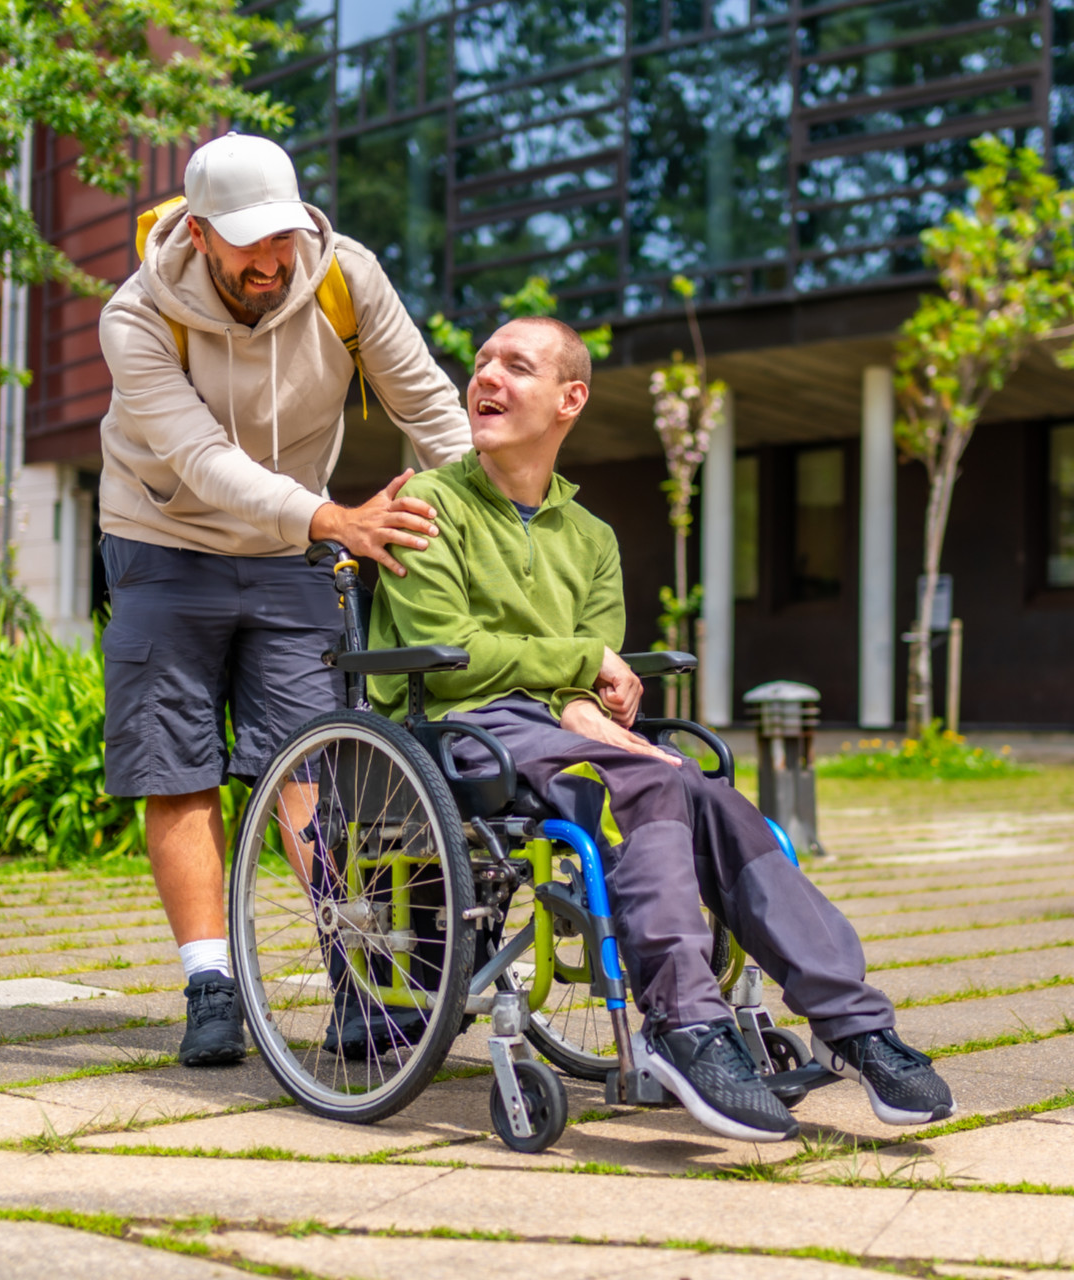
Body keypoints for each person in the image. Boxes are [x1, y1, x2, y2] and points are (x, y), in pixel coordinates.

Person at [367, 316, 956, 1143]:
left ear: (571, 399)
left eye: (517, 366)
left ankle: (853, 1022)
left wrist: (583, 701)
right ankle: (682, 1022)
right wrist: (576, 678)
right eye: (483, 363)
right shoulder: (429, 504)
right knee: (641, 779)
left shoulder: (592, 538)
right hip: (465, 727)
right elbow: (452, 658)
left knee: (703, 788)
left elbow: (594, 678)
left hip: (552, 730)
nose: (487, 378)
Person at [97, 132, 472, 1067]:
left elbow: (428, 408)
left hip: (295, 550)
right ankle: (210, 983)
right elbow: (200, 461)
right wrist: (333, 517)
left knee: (316, 764)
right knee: (175, 763)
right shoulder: (138, 314)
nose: (270, 262)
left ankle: (357, 970)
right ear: (199, 231)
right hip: (163, 539)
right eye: (247, 243)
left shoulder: (345, 277)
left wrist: (501, 527)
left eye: (282, 239)